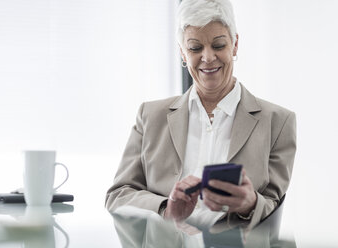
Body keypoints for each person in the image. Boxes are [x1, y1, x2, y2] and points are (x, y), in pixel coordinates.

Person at [105, 0, 296, 228]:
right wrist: (166, 209)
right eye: (195, 48)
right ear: (183, 53)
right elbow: (118, 195)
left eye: (218, 45)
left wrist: (251, 203)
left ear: (235, 44)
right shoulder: (150, 116)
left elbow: (273, 205)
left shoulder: (278, 122)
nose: (207, 57)